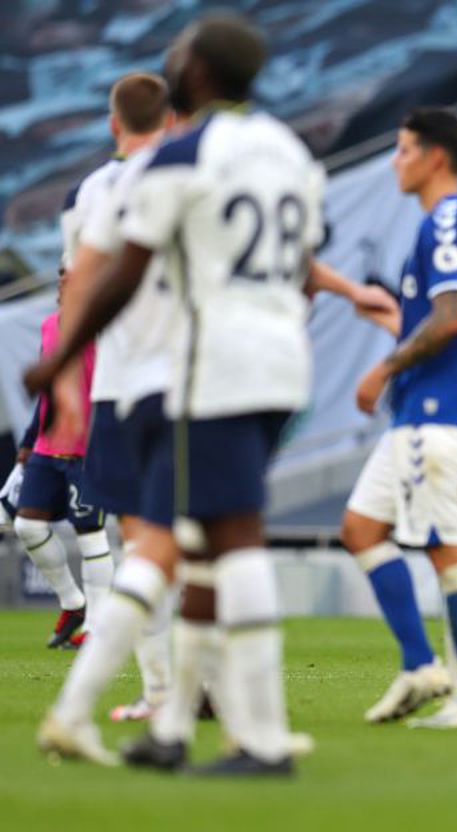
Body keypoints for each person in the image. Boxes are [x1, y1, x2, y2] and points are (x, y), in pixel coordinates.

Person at [27, 12, 326, 776]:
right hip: (280, 362)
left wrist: (59, 354)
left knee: (215, 540)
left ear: (195, 75)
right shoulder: (291, 152)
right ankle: (174, 730)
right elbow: (301, 269)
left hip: (208, 371)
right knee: (195, 546)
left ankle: (255, 741)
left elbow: (123, 271)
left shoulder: (183, 158)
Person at [349, 107, 457, 729]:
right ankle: (419, 664)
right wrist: (392, 320)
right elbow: (440, 323)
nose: (396, 160)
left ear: (436, 156)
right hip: (423, 412)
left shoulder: (444, 221)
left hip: (436, 415)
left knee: (451, 554)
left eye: (405, 149)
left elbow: (451, 319)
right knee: (360, 527)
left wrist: (384, 367)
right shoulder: (451, 223)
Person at [52, 71, 176, 722]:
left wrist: (65, 384)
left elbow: (77, 295)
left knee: (143, 543)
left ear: (113, 122)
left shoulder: (94, 191)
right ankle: (205, 688)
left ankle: (159, 693)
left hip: (122, 385)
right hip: (198, 382)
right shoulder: (196, 173)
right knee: (203, 544)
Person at [13, 275, 104, 650]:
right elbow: (49, 390)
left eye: (71, 277)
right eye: (63, 277)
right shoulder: (50, 325)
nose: (63, 283)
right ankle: (73, 602)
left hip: (88, 450)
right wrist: (29, 439)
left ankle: (97, 628)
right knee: (26, 526)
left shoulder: (104, 330)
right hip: (48, 448)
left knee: (91, 536)